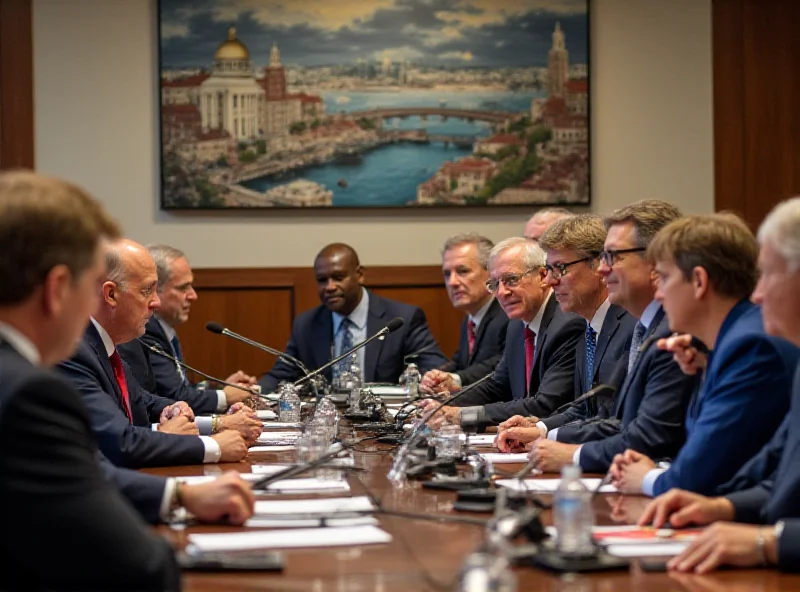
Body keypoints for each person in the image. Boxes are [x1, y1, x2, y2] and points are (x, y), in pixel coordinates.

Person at [0, 171, 252, 590]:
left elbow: (87, 469)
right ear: (58, 288)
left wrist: (181, 496)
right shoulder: (27, 391)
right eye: (89, 285)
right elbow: (140, 565)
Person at [637, 197, 800, 573]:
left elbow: (702, 470)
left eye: (770, 274)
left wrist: (769, 542)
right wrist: (720, 507)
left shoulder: (752, 344)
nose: (757, 295)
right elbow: (775, 471)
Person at [609, 214, 799, 496]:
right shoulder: (728, 344)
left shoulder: (750, 347)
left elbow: (699, 474)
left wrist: (649, 479)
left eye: (663, 278)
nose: (658, 294)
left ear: (699, 281)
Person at [524, 200, 697, 474]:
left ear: (657, 261)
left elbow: (647, 435)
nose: (604, 270)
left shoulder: (673, 334)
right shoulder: (606, 327)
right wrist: (541, 430)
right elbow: (604, 415)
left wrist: (571, 453)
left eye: (612, 256)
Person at [58, 239, 254, 468]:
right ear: (111, 295)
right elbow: (120, 443)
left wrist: (173, 409)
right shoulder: (74, 351)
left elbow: (142, 401)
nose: (156, 302)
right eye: (146, 290)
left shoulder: (104, 344)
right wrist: (214, 446)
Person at [496, 214, 636, 451]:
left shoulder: (631, 327)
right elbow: (586, 409)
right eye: (549, 270)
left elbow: (614, 419)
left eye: (560, 268)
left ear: (598, 266)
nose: (550, 281)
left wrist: (552, 438)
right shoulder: (588, 327)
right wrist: (539, 428)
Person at [426, 237, 585, 428]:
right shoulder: (517, 324)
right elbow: (497, 386)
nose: (502, 292)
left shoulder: (567, 325)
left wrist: (462, 415)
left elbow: (545, 405)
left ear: (543, 276)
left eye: (511, 280)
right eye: (494, 284)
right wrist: (441, 406)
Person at [258, 243, 449, 391]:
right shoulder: (306, 325)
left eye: (338, 277)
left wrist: (432, 381)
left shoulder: (401, 320)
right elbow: (281, 375)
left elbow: (436, 369)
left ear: (359, 275)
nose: (329, 287)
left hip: (386, 425)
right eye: (322, 280)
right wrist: (252, 391)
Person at [118, 243, 256, 413]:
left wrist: (218, 386)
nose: (193, 295)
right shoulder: (145, 330)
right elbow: (175, 395)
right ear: (156, 289)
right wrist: (224, 397)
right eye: (183, 288)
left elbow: (178, 387)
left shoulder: (164, 329)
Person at [421, 234, 509, 392]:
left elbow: (503, 363)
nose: (452, 282)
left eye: (462, 271)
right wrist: (437, 376)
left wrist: (456, 378)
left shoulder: (508, 314)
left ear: (491, 272)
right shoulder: (470, 318)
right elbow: (460, 362)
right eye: (447, 274)